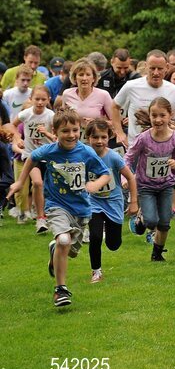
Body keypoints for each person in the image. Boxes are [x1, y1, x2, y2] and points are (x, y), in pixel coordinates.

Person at [6, 107, 110, 307]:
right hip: (56, 206)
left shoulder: (86, 151)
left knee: (69, 250)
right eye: (65, 131)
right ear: (56, 132)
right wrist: (20, 182)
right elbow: (31, 158)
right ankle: (61, 289)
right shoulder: (50, 150)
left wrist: (94, 185)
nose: (71, 135)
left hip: (81, 210)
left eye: (75, 130)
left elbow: (105, 173)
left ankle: (54, 250)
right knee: (64, 239)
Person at [125, 97, 175, 262]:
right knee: (152, 220)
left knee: (164, 223)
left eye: (162, 115)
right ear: (150, 116)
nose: (158, 119)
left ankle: (157, 253)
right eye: (154, 115)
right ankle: (141, 217)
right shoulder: (143, 138)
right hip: (145, 186)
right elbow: (128, 158)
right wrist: (125, 176)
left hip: (166, 185)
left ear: (170, 115)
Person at [84, 118, 138, 283]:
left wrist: (133, 201)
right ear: (88, 138)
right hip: (94, 202)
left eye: (103, 137)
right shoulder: (84, 156)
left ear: (109, 138)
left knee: (113, 245)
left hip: (113, 202)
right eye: (95, 137)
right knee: (95, 236)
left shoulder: (113, 157)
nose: (99, 141)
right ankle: (96, 271)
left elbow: (130, 177)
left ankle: (110, 229)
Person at [112, 50, 175, 147]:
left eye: (160, 69)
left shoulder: (174, 90)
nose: (156, 72)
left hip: (165, 149)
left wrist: (172, 129)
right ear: (146, 66)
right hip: (137, 148)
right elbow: (114, 106)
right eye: (152, 68)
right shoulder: (131, 86)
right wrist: (120, 133)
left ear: (167, 67)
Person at [13, 86, 55, 233]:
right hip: (31, 155)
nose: (40, 102)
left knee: (49, 188)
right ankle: (40, 219)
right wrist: (18, 138)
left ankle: (50, 215)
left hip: (48, 156)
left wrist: (47, 134)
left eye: (43, 99)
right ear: (30, 99)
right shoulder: (26, 114)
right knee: (37, 183)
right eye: (37, 99)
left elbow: (57, 138)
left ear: (48, 100)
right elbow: (12, 126)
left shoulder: (51, 116)